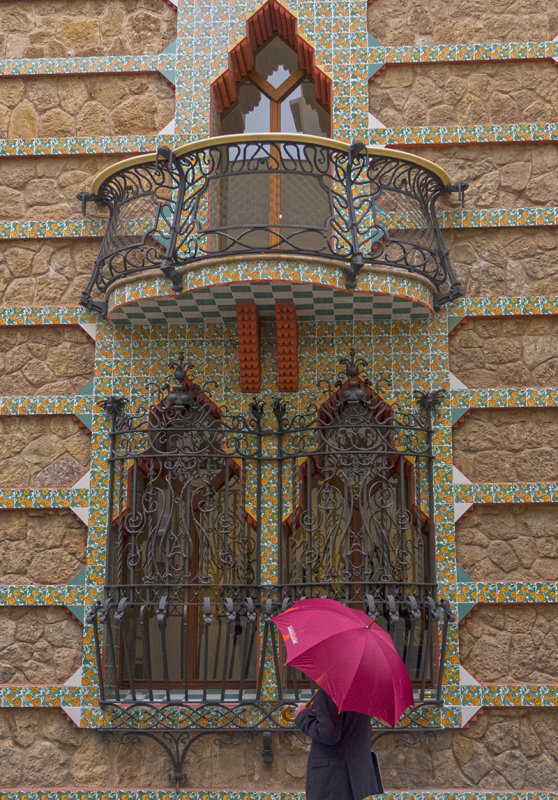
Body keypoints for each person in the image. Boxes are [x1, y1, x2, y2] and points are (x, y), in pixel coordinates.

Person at [294, 688, 382, 800]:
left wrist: (302, 716)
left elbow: (328, 734)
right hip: (353, 775)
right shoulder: (362, 691)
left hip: (333, 779)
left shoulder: (332, 690)